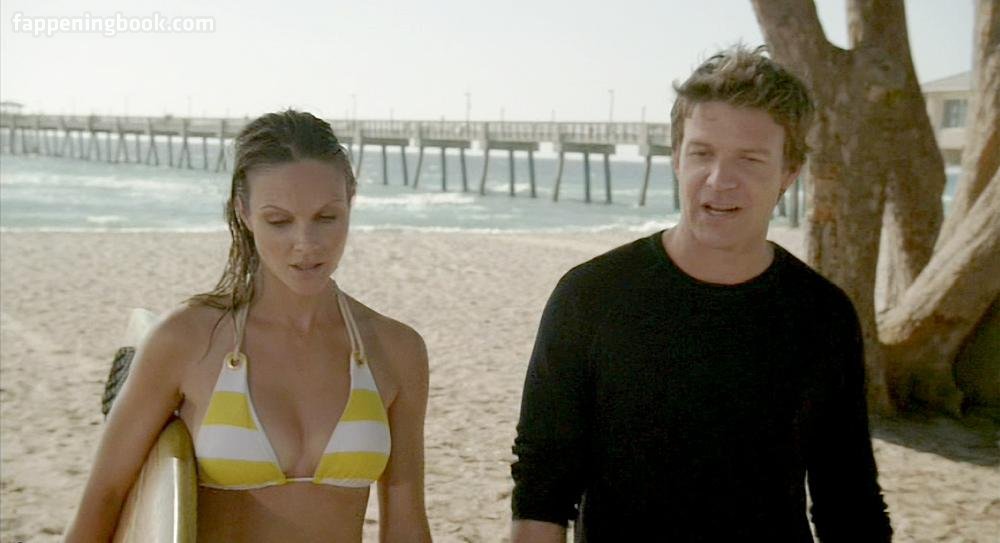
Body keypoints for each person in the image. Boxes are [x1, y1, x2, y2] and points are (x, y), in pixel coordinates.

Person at [510, 46, 892, 542]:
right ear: (676, 158)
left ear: (789, 173)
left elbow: (848, 499)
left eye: (749, 159)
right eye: (702, 153)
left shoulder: (822, 314)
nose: (719, 180)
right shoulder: (591, 297)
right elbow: (541, 489)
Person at [65, 110, 432, 542]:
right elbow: (104, 500)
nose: (306, 244)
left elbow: (406, 524)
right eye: (279, 221)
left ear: (351, 199)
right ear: (243, 211)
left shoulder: (396, 349)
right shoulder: (187, 340)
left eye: (326, 217)